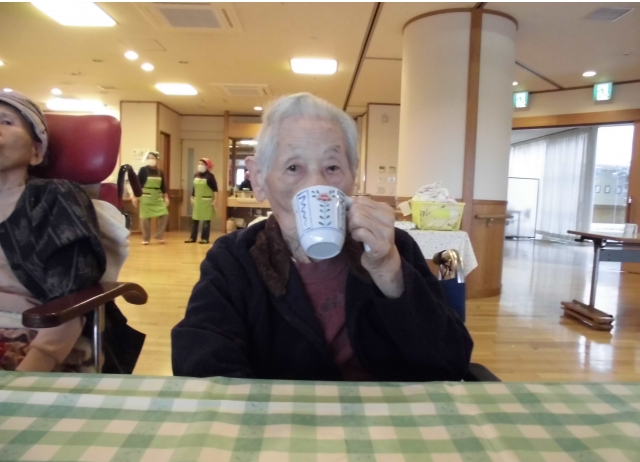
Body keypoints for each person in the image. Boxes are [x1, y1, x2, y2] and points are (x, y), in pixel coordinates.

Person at [172, 93, 473, 382]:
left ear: (353, 174)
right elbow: (202, 363)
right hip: (279, 414)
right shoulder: (234, 259)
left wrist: (389, 272)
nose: (317, 184)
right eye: (293, 167)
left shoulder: (395, 248)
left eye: (332, 167)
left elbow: (450, 362)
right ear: (260, 179)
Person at [0, 90, 144, 372]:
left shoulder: (54, 198)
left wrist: (29, 374)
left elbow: (70, 295)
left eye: (6, 121)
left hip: (24, 333)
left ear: (36, 151)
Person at [133, 151, 169, 245]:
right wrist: (135, 197)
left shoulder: (160, 171)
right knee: (145, 218)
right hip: (146, 196)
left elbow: (163, 186)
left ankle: (159, 235)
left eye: (152, 158)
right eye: (148, 158)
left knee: (165, 214)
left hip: (157, 197)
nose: (150, 159)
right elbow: (137, 184)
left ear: (157, 159)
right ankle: (146, 238)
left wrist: (166, 197)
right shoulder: (143, 170)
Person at [185, 158, 218, 244]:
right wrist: (192, 196)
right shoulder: (196, 175)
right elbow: (194, 187)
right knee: (195, 219)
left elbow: (215, 189)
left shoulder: (210, 176)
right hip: (197, 200)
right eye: (199, 163)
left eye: (202, 164)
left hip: (207, 201)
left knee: (206, 220)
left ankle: (204, 238)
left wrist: (215, 200)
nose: (200, 165)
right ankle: (192, 238)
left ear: (207, 166)